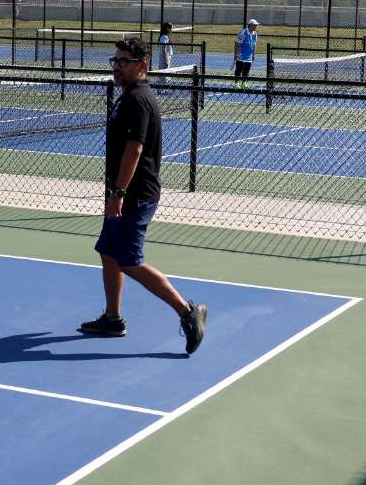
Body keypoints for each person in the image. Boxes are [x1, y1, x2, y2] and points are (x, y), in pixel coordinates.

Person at [79, 37, 207, 355]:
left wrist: (119, 194)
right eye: (116, 60)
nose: (118, 66)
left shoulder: (138, 99)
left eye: (125, 61)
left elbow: (134, 149)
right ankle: (113, 318)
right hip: (124, 192)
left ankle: (187, 311)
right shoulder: (127, 96)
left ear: (142, 67)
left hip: (134, 195)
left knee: (129, 261)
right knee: (109, 252)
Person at [234, 19, 259, 89]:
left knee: (247, 70)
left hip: (249, 56)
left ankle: (244, 83)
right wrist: (236, 54)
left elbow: (254, 44)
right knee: (239, 69)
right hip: (241, 55)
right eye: (255, 25)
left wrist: (253, 54)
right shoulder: (243, 33)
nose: (256, 27)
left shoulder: (255, 34)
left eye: (256, 25)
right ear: (250, 25)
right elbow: (237, 44)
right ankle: (237, 83)